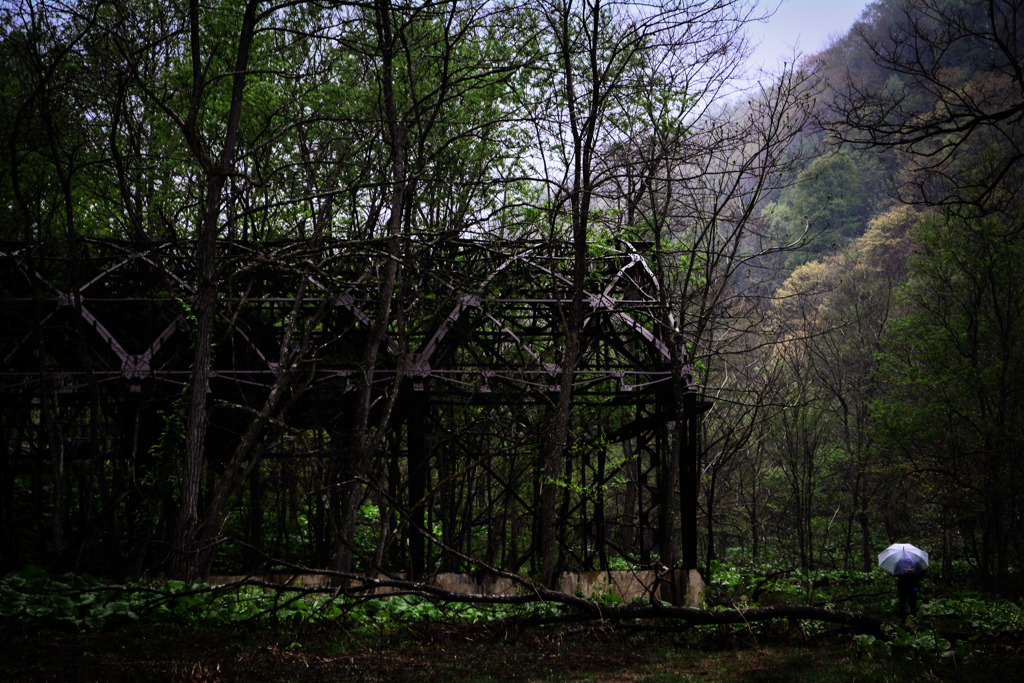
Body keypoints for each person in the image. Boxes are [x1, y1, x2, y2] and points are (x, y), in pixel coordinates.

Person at [895, 555, 925, 623]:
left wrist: (903, 572)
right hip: (913, 587)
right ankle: (913, 620)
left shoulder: (900, 563)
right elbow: (922, 573)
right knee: (913, 604)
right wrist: (915, 575)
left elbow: (895, 573)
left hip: (902, 587)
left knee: (902, 604)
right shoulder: (916, 563)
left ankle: (903, 620)